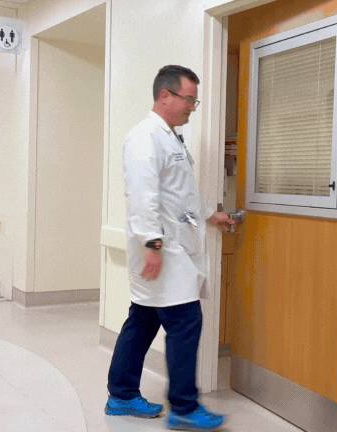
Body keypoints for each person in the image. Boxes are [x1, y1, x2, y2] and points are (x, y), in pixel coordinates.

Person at [105, 65, 234, 431]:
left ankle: (122, 394)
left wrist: (212, 215)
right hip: (161, 248)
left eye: (195, 100)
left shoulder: (171, 138)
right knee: (185, 321)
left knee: (143, 320)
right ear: (166, 96)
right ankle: (184, 406)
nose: (193, 106)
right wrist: (153, 244)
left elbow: (180, 196)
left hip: (169, 246)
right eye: (189, 99)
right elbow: (142, 196)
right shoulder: (145, 137)